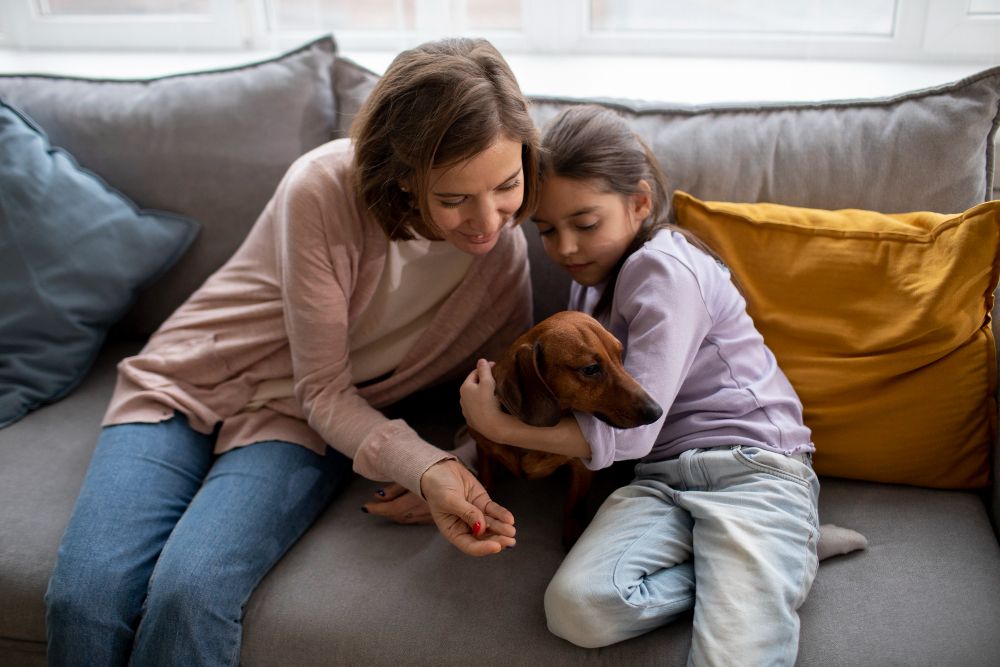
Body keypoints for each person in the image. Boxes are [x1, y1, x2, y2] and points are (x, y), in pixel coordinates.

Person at [45, 38, 539, 667]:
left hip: (303, 427)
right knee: (85, 599)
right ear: (402, 178)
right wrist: (423, 463)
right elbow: (323, 387)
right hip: (184, 384)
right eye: (452, 199)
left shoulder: (503, 260)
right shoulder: (325, 187)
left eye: (507, 186)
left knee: (190, 593)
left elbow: (495, 395)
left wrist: (454, 467)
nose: (487, 221)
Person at [460, 104, 821, 666]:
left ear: (640, 203)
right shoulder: (588, 290)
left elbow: (631, 433)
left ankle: (769, 562)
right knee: (577, 608)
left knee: (735, 652)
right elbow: (565, 409)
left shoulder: (664, 269)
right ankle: (758, 567)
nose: (565, 250)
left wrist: (492, 424)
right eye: (548, 231)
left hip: (751, 468)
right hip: (659, 482)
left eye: (585, 223)